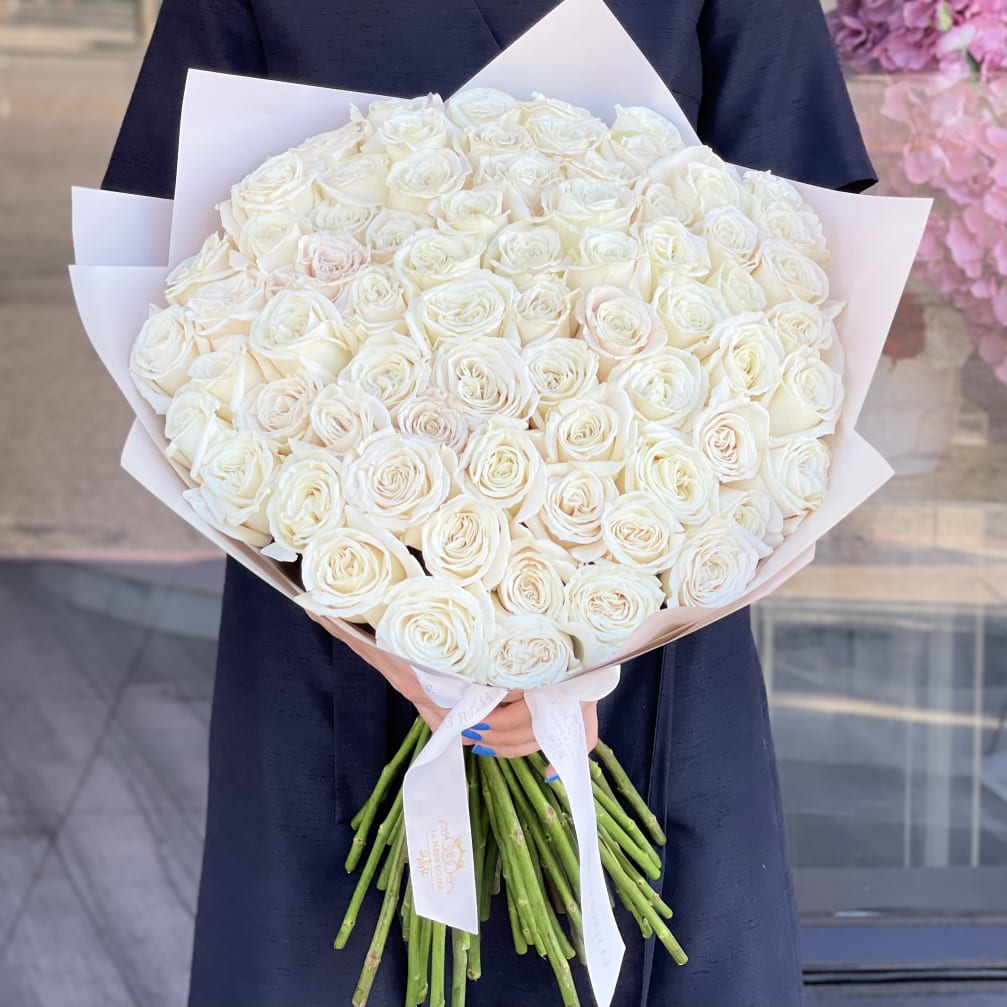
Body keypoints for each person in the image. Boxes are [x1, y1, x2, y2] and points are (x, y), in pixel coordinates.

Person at [102, 2, 874, 1004]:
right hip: (326, 580)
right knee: (327, 952)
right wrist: (406, 641)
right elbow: (177, 257)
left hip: (651, 590)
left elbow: (800, 243)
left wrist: (578, 646)